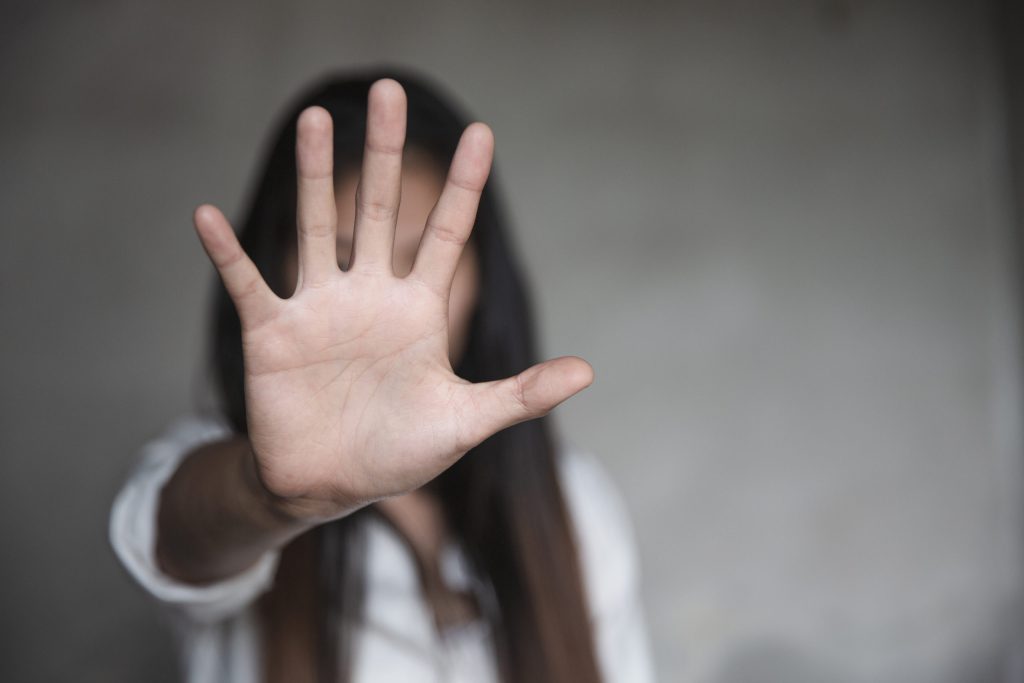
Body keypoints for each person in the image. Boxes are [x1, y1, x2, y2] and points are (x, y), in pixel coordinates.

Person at [109, 69, 654, 683]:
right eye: (345, 261)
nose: (384, 313)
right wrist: (270, 496)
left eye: (424, 260)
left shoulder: (572, 501)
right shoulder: (214, 468)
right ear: (274, 264)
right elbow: (176, 539)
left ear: (483, 274)